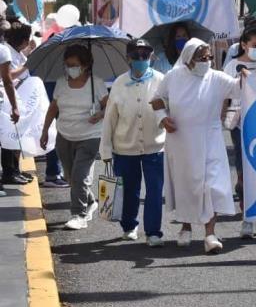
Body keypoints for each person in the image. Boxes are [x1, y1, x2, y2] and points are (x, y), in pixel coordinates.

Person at [150, 38, 241, 254]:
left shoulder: (217, 78)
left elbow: (238, 88)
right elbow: (156, 99)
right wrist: (163, 118)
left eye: (209, 57)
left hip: (211, 140)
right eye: (202, 58)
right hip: (181, 141)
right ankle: (186, 226)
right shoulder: (173, 77)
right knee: (187, 187)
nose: (207, 61)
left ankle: (210, 234)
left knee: (213, 186)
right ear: (189, 59)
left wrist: (246, 77)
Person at [100, 39, 166, 247]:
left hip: (155, 146)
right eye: (136, 56)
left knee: (155, 190)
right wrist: (106, 150)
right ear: (128, 58)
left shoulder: (161, 80)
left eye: (145, 55)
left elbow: (169, 110)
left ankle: (153, 231)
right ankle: (129, 226)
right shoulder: (119, 83)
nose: (141, 60)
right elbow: (110, 117)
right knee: (129, 188)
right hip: (124, 146)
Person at [40, 45, 108, 230]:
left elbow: (109, 106)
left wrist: (100, 115)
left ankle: (78, 214)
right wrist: (45, 130)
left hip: (90, 136)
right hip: (64, 136)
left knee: (80, 175)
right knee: (71, 177)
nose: (70, 68)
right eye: (67, 65)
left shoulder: (97, 83)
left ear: (85, 65)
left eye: (74, 64)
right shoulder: (61, 82)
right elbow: (53, 108)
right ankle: (90, 201)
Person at [223, 27, 256, 238]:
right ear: (243, 44)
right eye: (254, 46)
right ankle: (247, 217)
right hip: (239, 124)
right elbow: (223, 95)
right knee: (244, 171)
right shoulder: (232, 66)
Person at [1, 20, 32, 185]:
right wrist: (27, 66)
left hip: (20, 99)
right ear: (23, 40)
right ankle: (9, 172)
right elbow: (9, 77)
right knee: (9, 138)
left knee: (18, 138)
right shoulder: (7, 53)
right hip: (9, 101)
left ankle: (15, 170)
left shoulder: (17, 53)